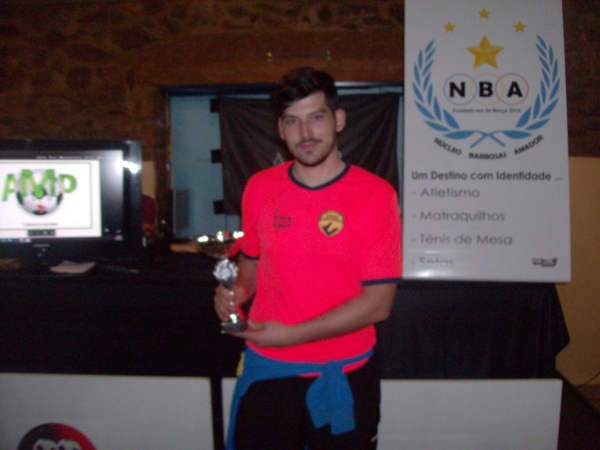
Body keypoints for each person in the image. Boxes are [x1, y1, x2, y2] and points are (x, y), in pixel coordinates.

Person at [214, 66, 402, 450]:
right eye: (292, 121)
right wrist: (236, 293)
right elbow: (251, 266)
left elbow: (378, 304)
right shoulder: (259, 188)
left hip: (344, 373)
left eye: (316, 117)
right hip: (268, 371)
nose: (305, 133)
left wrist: (290, 336)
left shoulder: (376, 195)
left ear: (338, 120)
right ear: (280, 130)